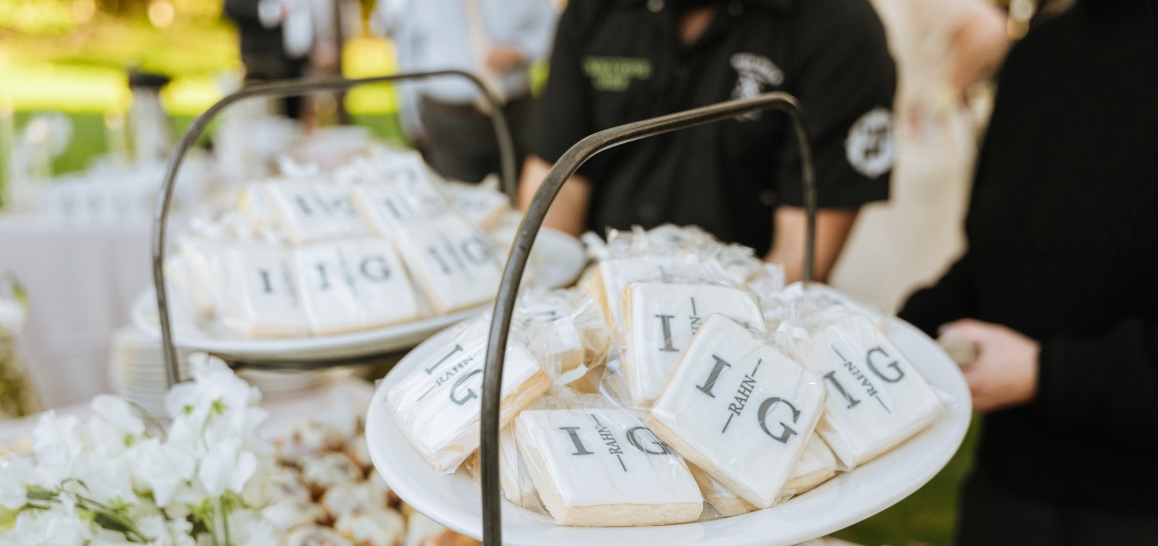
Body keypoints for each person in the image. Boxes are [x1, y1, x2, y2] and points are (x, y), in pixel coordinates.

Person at [898, 0, 1158, 546]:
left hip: (1137, 537)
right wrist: (901, 332)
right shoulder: (1041, 54)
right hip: (1005, 506)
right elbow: (999, 251)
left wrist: (1049, 372)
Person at [519, 0, 897, 283]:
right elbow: (555, 180)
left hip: (740, 319)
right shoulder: (594, 9)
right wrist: (563, 302)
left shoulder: (840, 27)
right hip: (594, 291)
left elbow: (799, 258)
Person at [828, 0, 1010, 310]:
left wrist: (943, 96)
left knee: (896, 280)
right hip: (886, 143)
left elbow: (989, 32)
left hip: (914, 150)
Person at [376, 0, 558, 184]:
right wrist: (411, 114)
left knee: (520, 194)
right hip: (448, 118)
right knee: (457, 197)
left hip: (516, 114)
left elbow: (553, 28)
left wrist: (521, 50)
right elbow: (407, 47)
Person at [223, 0, 315, 119]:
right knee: (265, 118)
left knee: (294, 119)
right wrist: (273, 11)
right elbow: (232, 6)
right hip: (262, 63)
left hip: (298, 61)